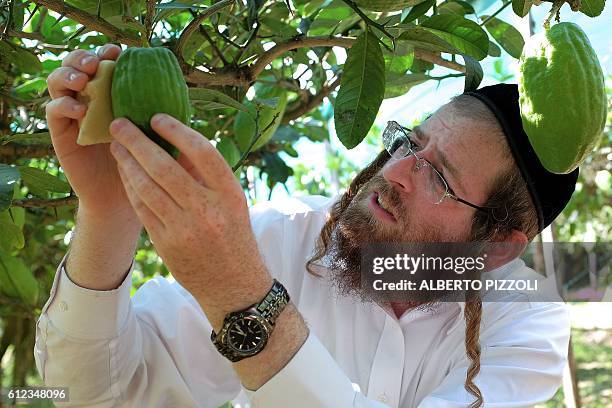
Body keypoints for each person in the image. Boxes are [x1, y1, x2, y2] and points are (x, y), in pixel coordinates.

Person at [35, 43, 578, 407]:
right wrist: (108, 214)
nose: (395, 172)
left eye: (437, 175)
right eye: (411, 143)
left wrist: (246, 298)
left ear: (499, 249)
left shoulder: (526, 326)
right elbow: (89, 394)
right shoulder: (282, 237)